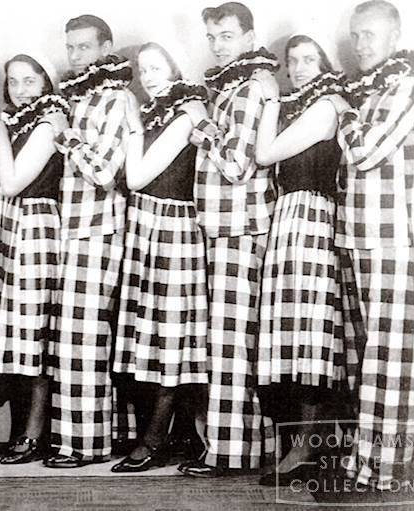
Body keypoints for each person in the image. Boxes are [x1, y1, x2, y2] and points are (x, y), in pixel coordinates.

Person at [325, 0, 414, 490]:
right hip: (361, 237)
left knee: (390, 364)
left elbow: (364, 151)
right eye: (355, 35)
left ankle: (384, 474)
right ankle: (362, 466)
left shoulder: (406, 87)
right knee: (367, 362)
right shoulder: (371, 89)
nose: (360, 44)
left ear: (394, 38)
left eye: (369, 34)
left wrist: (342, 111)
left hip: (395, 244)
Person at [178, 2, 278, 477]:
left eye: (227, 36)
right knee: (229, 341)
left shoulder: (247, 88)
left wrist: (199, 123)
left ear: (249, 37)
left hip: (239, 228)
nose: (218, 45)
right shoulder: (233, 86)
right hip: (225, 228)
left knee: (232, 343)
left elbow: (236, 165)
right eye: (212, 37)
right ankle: (239, 448)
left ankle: (231, 453)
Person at [252, 35, 350, 486]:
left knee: (309, 334)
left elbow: (264, 154)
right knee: (287, 336)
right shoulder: (301, 107)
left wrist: (271, 100)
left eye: (310, 59)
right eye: (293, 61)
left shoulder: (326, 106)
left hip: (312, 221)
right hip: (287, 222)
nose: (300, 67)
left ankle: (306, 448)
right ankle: (295, 444)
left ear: (325, 63)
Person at [111, 42, 210, 473]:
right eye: (143, 70)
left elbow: (136, 176)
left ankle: (155, 438)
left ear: (175, 68)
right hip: (144, 228)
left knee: (170, 337)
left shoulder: (185, 114)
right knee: (146, 337)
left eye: (157, 68)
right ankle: (171, 433)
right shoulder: (157, 112)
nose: (149, 77)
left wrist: (133, 128)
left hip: (172, 229)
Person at [45, 14, 134, 468]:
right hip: (73, 228)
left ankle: (86, 444)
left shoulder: (116, 98)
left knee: (84, 341)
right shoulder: (79, 95)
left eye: (84, 47)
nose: (76, 55)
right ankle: (77, 439)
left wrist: (65, 134)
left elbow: (103, 172)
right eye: (71, 47)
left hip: (99, 228)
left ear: (106, 47)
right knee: (71, 341)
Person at [0, 53, 69, 464]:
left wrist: (0, 135)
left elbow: (13, 182)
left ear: (45, 84)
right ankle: (21, 428)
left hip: (36, 226)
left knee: (34, 332)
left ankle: (35, 433)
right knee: (17, 333)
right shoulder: (23, 120)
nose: (20, 90)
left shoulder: (49, 122)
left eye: (29, 81)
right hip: (13, 225)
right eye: (13, 82)